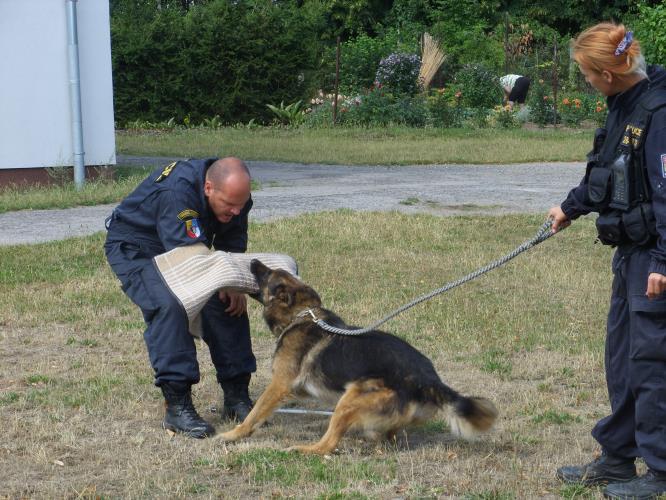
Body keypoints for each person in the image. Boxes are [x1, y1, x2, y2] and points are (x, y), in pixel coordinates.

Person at [547, 23, 666, 499]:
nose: (586, 83)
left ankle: (660, 469)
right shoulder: (626, 104)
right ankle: (618, 457)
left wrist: (663, 261)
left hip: (654, 260)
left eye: (586, 74)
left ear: (608, 73)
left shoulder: (660, 111)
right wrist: (570, 207)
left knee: (652, 364)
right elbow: (609, 172)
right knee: (622, 360)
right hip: (630, 254)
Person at [104, 157, 256, 439]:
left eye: (241, 205)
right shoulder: (177, 195)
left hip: (185, 247)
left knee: (226, 299)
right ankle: (177, 406)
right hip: (137, 246)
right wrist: (220, 278)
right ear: (208, 188)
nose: (237, 211)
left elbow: (231, 241)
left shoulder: (235, 196)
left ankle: (237, 397)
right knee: (171, 304)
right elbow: (186, 263)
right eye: (229, 205)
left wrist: (235, 284)